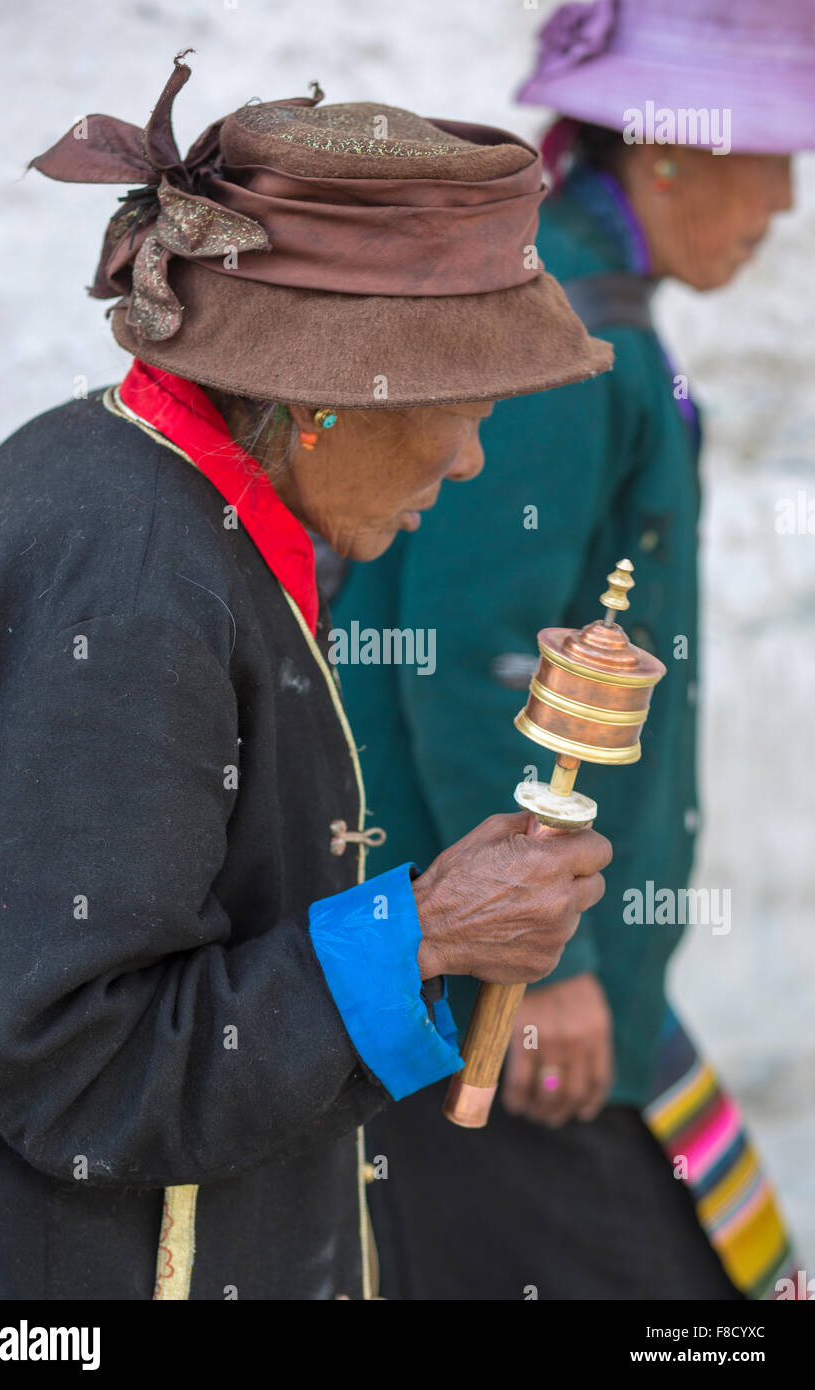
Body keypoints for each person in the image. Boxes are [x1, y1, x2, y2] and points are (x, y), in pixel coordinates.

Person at [0, 56, 616, 1301]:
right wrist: (420, 931)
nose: (472, 460)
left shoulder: (137, 484)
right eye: (461, 404)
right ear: (321, 402)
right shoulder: (139, 579)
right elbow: (82, 1070)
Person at [333, 0, 812, 1299]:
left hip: (551, 963)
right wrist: (538, 973)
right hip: (495, 996)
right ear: (670, 151)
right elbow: (480, 658)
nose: (780, 199)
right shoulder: (562, 342)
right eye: (771, 154)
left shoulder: (596, 315)